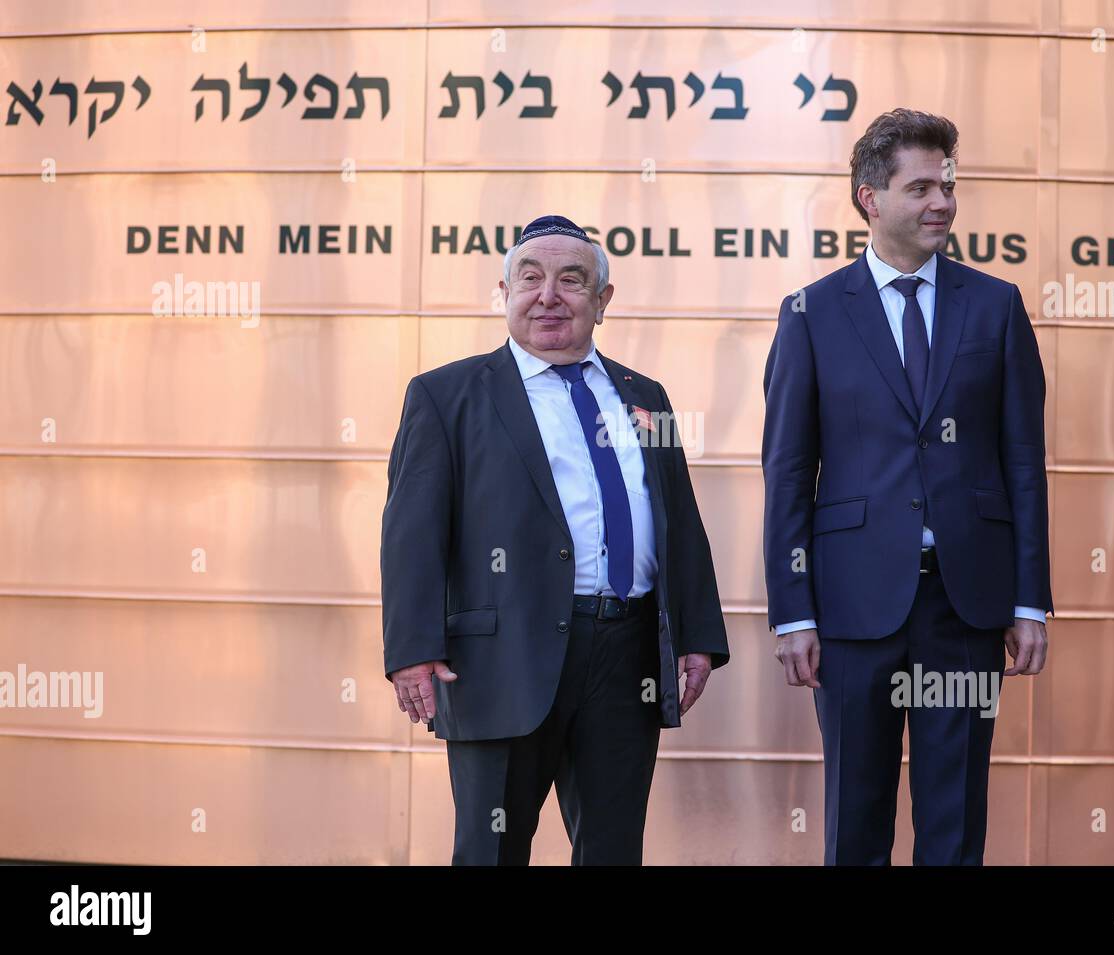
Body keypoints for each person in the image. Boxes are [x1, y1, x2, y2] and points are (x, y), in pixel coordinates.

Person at [381, 214, 728, 865]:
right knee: (493, 849)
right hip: (501, 659)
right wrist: (411, 648)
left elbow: (676, 516)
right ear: (504, 291)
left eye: (572, 280)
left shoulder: (643, 396)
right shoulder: (446, 396)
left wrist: (699, 634)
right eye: (530, 278)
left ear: (602, 300)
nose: (549, 295)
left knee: (613, 848)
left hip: (625, 659)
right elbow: (411, 534)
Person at [762, 109, 1052, 865]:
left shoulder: (995, 305)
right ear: (870, 197)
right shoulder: (813, 312)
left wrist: (1028, 599)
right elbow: (789, 472)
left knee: (954, 825)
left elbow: (1024, 460)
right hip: (852, 608)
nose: (942, 203)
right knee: (855, 822)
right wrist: (792, 612)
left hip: (966, 607)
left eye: (948, 186)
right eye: (921, 186)